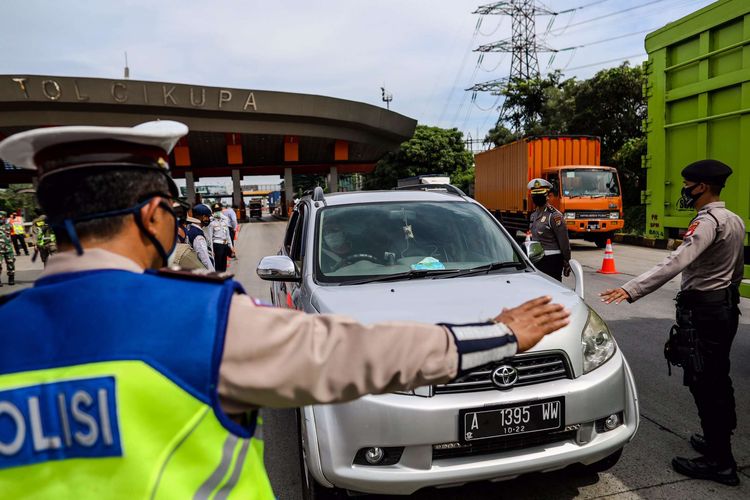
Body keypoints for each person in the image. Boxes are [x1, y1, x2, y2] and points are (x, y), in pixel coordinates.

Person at [0, 121, 569, 498]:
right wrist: (498, 335)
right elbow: (354, 352)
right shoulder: (201, 319)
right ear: (153, 216)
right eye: (171, 210)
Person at [600, 159, 744, 486]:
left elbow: (676, 261)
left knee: (705, 381)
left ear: (702, 187)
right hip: (723, 309)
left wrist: (630, 288)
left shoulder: (707, 222)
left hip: (705, 314)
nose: (684, 190)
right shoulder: (734, 220)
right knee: (717, 378)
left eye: (687, 184)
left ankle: (720, 462)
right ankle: (716, 440)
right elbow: (736, 272)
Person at [527, 178, 571, 281]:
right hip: (537, 260)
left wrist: (567, 261)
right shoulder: (533, 215)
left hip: (552, 260)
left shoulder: (555, 216)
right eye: (534, 195)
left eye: (540, 195)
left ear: (547, 196)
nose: (536, 198)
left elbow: (564, 242)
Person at [188, 204, 215, 271]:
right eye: (208, 217)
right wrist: (212, 273)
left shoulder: (192, 229)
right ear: (203, 217)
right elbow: (204, 258)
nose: (209, 219)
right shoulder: (198, 235)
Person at [209, 202, 234, 272]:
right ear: (213, 211)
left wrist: (231, 247)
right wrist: (212, 250)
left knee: (224, 265)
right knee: (218, 265)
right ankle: (218, 279)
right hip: (217, 245)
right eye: (216, 210)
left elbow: (228, 235)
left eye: (219, 210)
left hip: (225, 245)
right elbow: (210, 238)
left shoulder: (224, 221)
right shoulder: (211, 223)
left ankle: (223, 277)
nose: (218, 212)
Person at [0, 210, 15, 286]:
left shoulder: (9, 226)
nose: (1, 219)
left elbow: (13, 236)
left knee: (10, 263)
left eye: (2, 217)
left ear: (5, 217)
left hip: (8, 248)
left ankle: (11, 278)